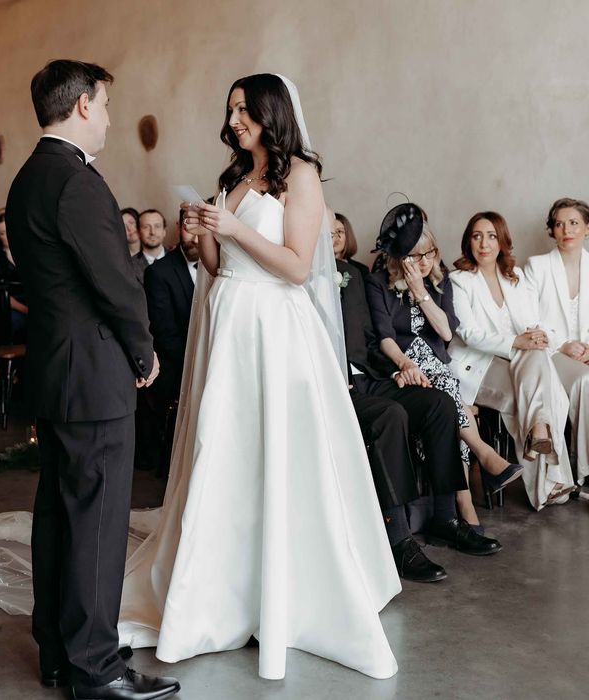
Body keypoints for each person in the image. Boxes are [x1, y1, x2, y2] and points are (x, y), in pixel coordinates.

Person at [119, 73, 399, 682]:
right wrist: (202, 240)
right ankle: (219, 585)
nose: (236, 119)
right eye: (230, 110)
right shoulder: (232, 178)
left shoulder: (301, 174)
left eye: (244, 109)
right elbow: (221, 269)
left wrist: (235, 229)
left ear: (271, 111)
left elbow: (299, 267)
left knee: (277, 453)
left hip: (277, 331)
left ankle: (287, 588)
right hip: (231, 326)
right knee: (224, 452)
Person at [5, 59, 179, 700]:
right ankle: (97, 668)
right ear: (81, 105)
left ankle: (56, 651)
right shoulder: (77, 181)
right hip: (94, 372)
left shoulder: (27, 178)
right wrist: (145, 352)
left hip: (54, 370)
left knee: (58, 512)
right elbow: (115, 281)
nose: (108, 116)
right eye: (104, 104)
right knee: (99, 523)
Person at [338, 256, 500, 583]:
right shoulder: (296, 275)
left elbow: (372, 339)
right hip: (332, 383)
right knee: (390, 415)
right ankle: (399, 541)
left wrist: (396, 370)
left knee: (439, 403)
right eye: (326, 233)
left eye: (335, 233)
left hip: (372, 376)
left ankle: (445, 520)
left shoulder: (352, 273)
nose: (331, 239)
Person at [365, 205, 523, 532]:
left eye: (430, 253)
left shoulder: (441, 282)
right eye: (414, 256)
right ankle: (477, 467)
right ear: (398, 257)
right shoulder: (378, 282)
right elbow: (385, 337)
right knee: (446, 385)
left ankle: (462, 504)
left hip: (439, 369)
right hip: (401, 367)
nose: (424, 262)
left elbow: (447, 332)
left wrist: (421, 293)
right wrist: (405, 363)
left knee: (446, 390)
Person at [449, 212, 572, 508]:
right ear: (469, 241)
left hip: (518, 361)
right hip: (477, 367)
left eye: (491, 236)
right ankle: (553, 480)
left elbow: (530, 323)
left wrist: (538, 335)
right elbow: (468, 333)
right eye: (477, 236)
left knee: (537, 358)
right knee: (544, 393)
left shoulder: (514, 279)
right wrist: (518, 341)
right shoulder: (459, 280)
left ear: (502, 241)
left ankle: (541, 435)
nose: (484, 243)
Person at [524, 197, 589, 492]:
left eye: (574, 223)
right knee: (585, 382)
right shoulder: (537, 267)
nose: (567, 230)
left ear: (587, 228)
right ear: (552, 230)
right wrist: (564, 344)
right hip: (553, 353)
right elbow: (527, 318)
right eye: (559, 224)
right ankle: (584, 472)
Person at [142, 209, 199, 475]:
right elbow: (164, 333)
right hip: (179, 361)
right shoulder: (160, 273)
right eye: (189, 227)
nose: (196, 237)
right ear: (178, 227)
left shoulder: (225, 266)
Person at [0, 208, 28, 342]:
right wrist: (26, 310)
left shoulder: (30, 251)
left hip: (35, 302)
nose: (8, 235)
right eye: (3, 233)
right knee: (16, 322)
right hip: (10, 306)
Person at [330, 208, 369, 277]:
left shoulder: (362, 270)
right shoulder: (316, 268)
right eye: (330, 232)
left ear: (347, 235)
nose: (334, 236)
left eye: (339, 231)